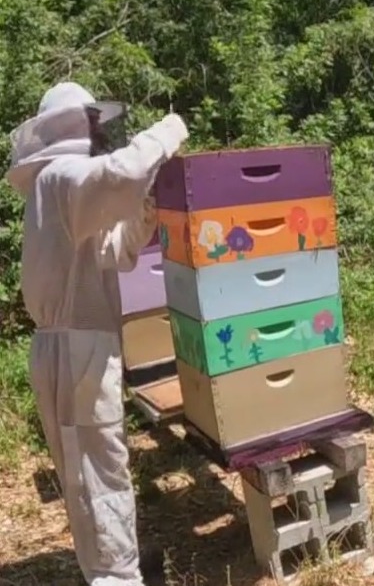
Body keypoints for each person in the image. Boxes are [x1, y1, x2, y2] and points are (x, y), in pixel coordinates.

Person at [6, 82, 189, 585]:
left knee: (92, 473)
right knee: (97, 476)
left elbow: (117, 251)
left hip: (75, 347)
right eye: (89, 120)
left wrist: (147, 210)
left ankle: (114, 567)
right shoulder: (62, 177)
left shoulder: (61, 192)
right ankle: (116, 577)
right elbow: (123, 171)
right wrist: (169, 131)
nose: (96, 128)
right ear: (71, 124)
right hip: (76, 349)